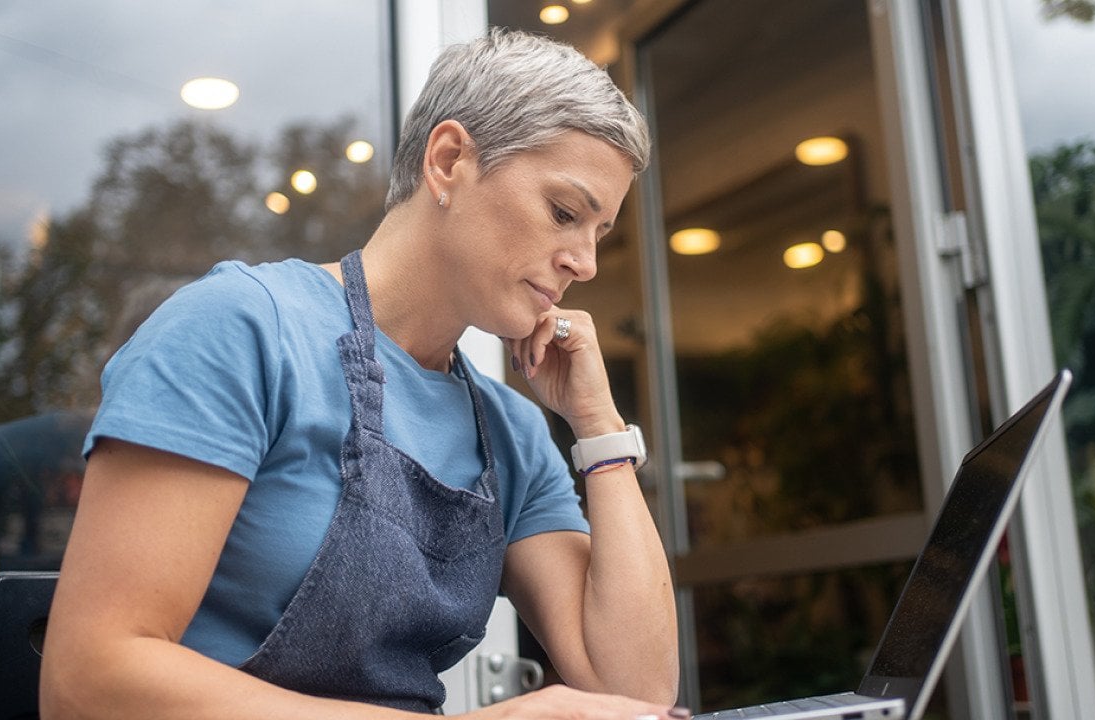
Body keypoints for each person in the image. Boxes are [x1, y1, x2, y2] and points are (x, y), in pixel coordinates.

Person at [40, 27, 683, 720]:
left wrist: (601, 432)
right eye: (564, 213)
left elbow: (636, 693)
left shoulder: (512, 433)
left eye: (599, 234)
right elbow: (88, 681)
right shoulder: (241, 331)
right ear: (448, 160)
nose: (584, 263)